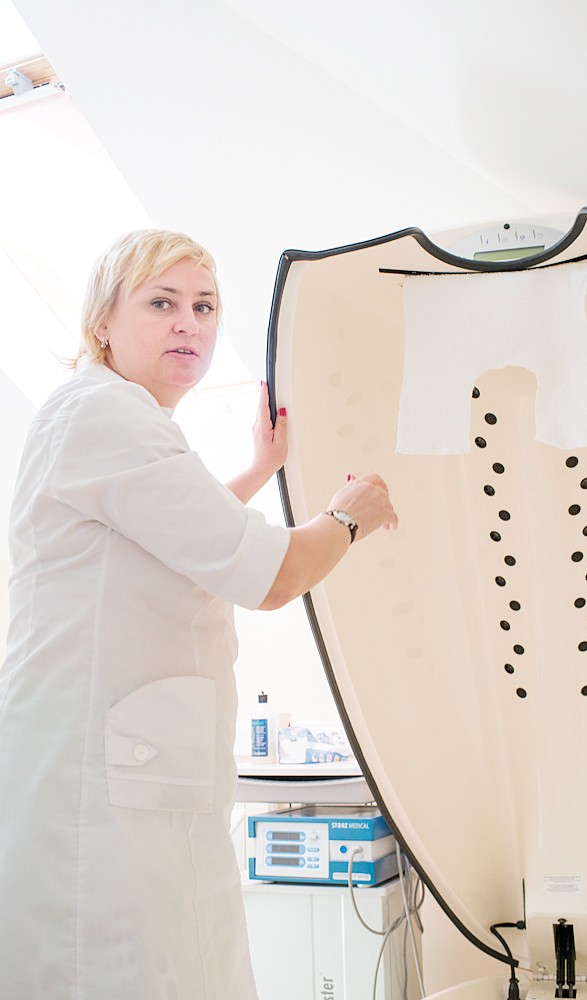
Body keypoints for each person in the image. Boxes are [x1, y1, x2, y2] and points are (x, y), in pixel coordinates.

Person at [0, 229, 398, 1000]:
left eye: (205, 307)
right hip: (99, 802)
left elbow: (177, 533)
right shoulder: (106, 415)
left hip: (123, 780)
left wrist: (259, 468)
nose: (189, 323)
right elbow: (274, 574)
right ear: (103, 322)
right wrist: (351, 514)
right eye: (162, 303)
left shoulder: (111, 419)